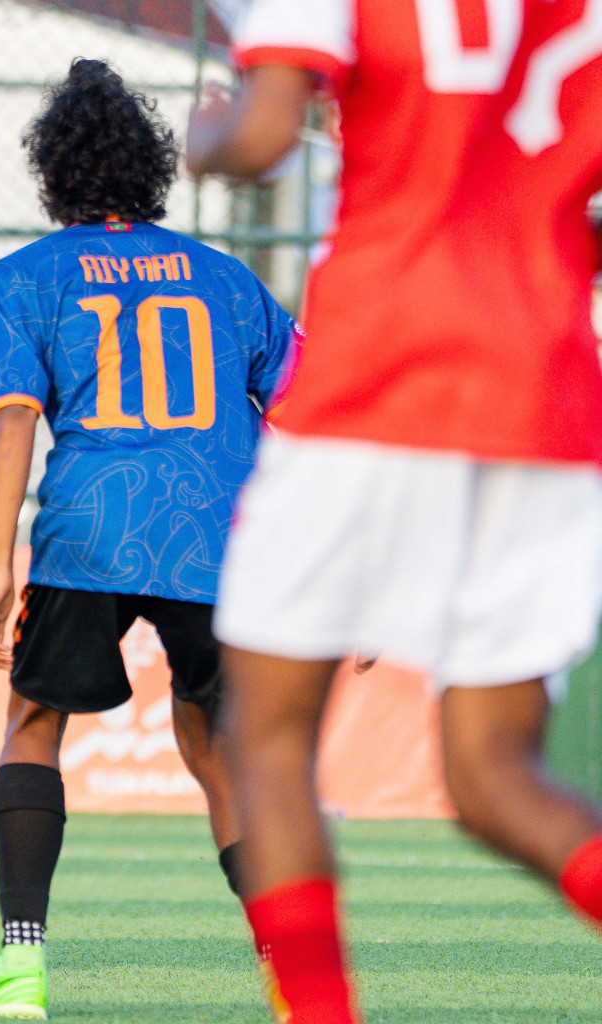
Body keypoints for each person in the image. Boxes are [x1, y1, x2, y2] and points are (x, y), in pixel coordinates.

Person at [186, 1, 602, 1021]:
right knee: (497, 777)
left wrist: (204, 136)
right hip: (541, 391)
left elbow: (261, 138)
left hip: (375, 375)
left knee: (271, 740)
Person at [0, 59, 296, 1019]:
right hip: (219, 536)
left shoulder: (25, 277)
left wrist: (0, 560)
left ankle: (19, 966)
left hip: (90, 524)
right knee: (221, 750)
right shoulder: (229, 278)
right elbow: (309, 407)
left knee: (34, 724)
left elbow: (12, 421)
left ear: (53, 173)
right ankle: (289, 972)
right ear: (154, 170)